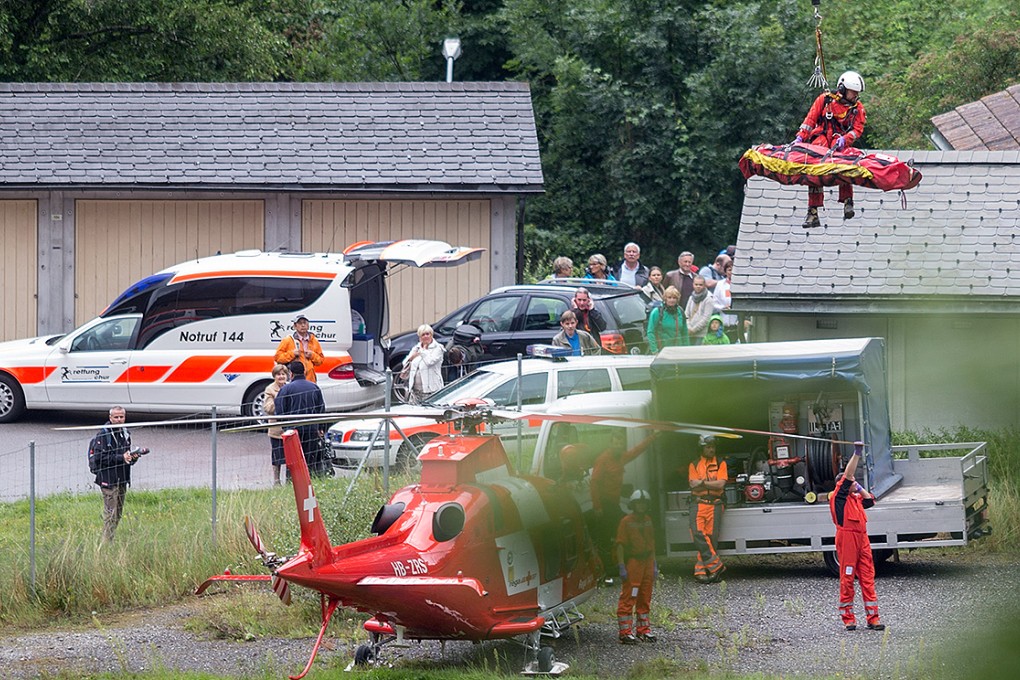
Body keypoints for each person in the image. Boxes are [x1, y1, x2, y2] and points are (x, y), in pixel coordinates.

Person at [795, 71, 867, 229]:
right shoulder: (824, 100)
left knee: (845, 164)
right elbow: (810, 120)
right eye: (853, 92)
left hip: (839, 142)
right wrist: (800, 137)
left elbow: (857, 130)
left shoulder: (857, 109)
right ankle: (812, 212)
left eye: (857, 93)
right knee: (815, 168)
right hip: (821, 139)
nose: (855, 96)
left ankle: (848, 201)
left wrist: (845, 139)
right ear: (842, 89)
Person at [830, 442, 885, 631]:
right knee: (847, 579)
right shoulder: (838, 498)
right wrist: (857, 453)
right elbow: (848, 474)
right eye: (852, 482)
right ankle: (848, 619)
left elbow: (870, 501)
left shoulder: (856, 499)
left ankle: (873, 618)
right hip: (847, 541)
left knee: (868, 578)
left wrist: (859, 487)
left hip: (862, 540)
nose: (854, 483)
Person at [590, 430, 657, 583]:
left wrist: (652, 437)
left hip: (613, 503)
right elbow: (594, 482)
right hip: (605, 503)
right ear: (610, 444)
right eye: (615, 443)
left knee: (620, 532)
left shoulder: (620, 457)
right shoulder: (603, 459)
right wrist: (597, 506)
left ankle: (621, 565)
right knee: (608, 537)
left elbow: (636, 451)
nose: (618, 446)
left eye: (620, 444)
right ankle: (606, 572)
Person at [91, 406, 148, 542]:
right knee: (110, 514)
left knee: (118, 513)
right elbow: (100, 458)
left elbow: (125, 457)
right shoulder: (103, 435)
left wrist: (132, 457)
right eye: (116, 417)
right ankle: (105, 544)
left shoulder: (126, 433)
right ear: (110, 418)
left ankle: (110, 539)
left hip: (122, 478)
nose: (119, 420)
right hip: (108, 479)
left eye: (121, 417)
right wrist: (121, 457)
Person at [616, 489, 658, 645]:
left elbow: (652, 543)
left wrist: (654, 565)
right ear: (633, 504)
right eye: (639, 503)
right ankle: (625, 632)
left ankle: (643, 630)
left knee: (645, 597)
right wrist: (621, 565)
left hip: (647, 562)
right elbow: (620, 544)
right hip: (634, 564)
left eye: (644, 503)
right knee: (629, 596)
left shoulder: (648, 520)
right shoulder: (626, 521)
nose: (641, 506)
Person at [274, 360, 330, 475]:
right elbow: (321, 409)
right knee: (310, 460)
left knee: (294, 461)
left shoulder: (286, 389)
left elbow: (279, 410)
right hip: (311, 429)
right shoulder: (314, 387)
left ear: (291, 373)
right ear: (304, 372)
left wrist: (285, 426)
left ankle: (293, 483)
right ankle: (311, 480)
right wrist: (321, 428)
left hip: (293, 431)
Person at [688, 434, 727, 583]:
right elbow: (692, 484)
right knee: (697, 534)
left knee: (711, 539)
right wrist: (710, 483)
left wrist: (702, 483)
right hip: (698, 504)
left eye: (713, 447)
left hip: (716, 504)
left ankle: (701, 571)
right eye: (708, 447)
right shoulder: (694, 464)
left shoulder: (721, 463)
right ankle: (717, 567)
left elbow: (720, 484)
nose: (711, 450)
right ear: (702, 448)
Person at [274, 314, 325, 383]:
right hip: (294, 380)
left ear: (308, 325)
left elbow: (320, 360)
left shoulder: (314, 340)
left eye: (305, 323)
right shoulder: (288, 340)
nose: (303, 325)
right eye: (300, 323)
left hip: (310, 380)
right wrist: (292, 354)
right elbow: (278, 358)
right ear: (295, 326)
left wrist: (312, 355)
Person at [262, 363, 290, 485]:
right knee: (277, 456)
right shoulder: (270, 389)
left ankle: (290, 480)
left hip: (289, 429)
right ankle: (276, 480)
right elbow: (268, 409)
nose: (281, 377)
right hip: (276, 430)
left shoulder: (290, 387)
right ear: (274, 376)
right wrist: (279, 397)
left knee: (291, 456)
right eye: (278, 374)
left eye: (283, 374)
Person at [402, 324, 445, 403]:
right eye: (423, 335)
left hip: (431, 390)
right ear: (419, 337)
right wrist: (411, 358)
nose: (425, 336)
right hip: (415, 390)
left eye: (427, 334)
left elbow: (430, 362)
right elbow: (405, 362)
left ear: (431, 335)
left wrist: (422, 352)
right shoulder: (416, 348)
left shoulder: (438, 348)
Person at [645, 285, 688, 353]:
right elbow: (650, 332)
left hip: (678, 350)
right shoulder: (657, 312)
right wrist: (654, 351)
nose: (672, 300)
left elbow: (684, 332)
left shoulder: (680, 311)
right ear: (665, 298)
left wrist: (686, 349)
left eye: (674, 298)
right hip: (661, 350)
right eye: (669, 297)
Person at [684, 276, 714, 345]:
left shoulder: (708, 299)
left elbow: (706, 318)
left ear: (704, 285)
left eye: (700, 285)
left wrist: (694, 330)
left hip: (701, 334)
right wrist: (688, 327)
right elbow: (686, 314)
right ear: (693, 285)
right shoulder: (691, 297)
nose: (698, 286)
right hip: (689, 332)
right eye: (696, 284)